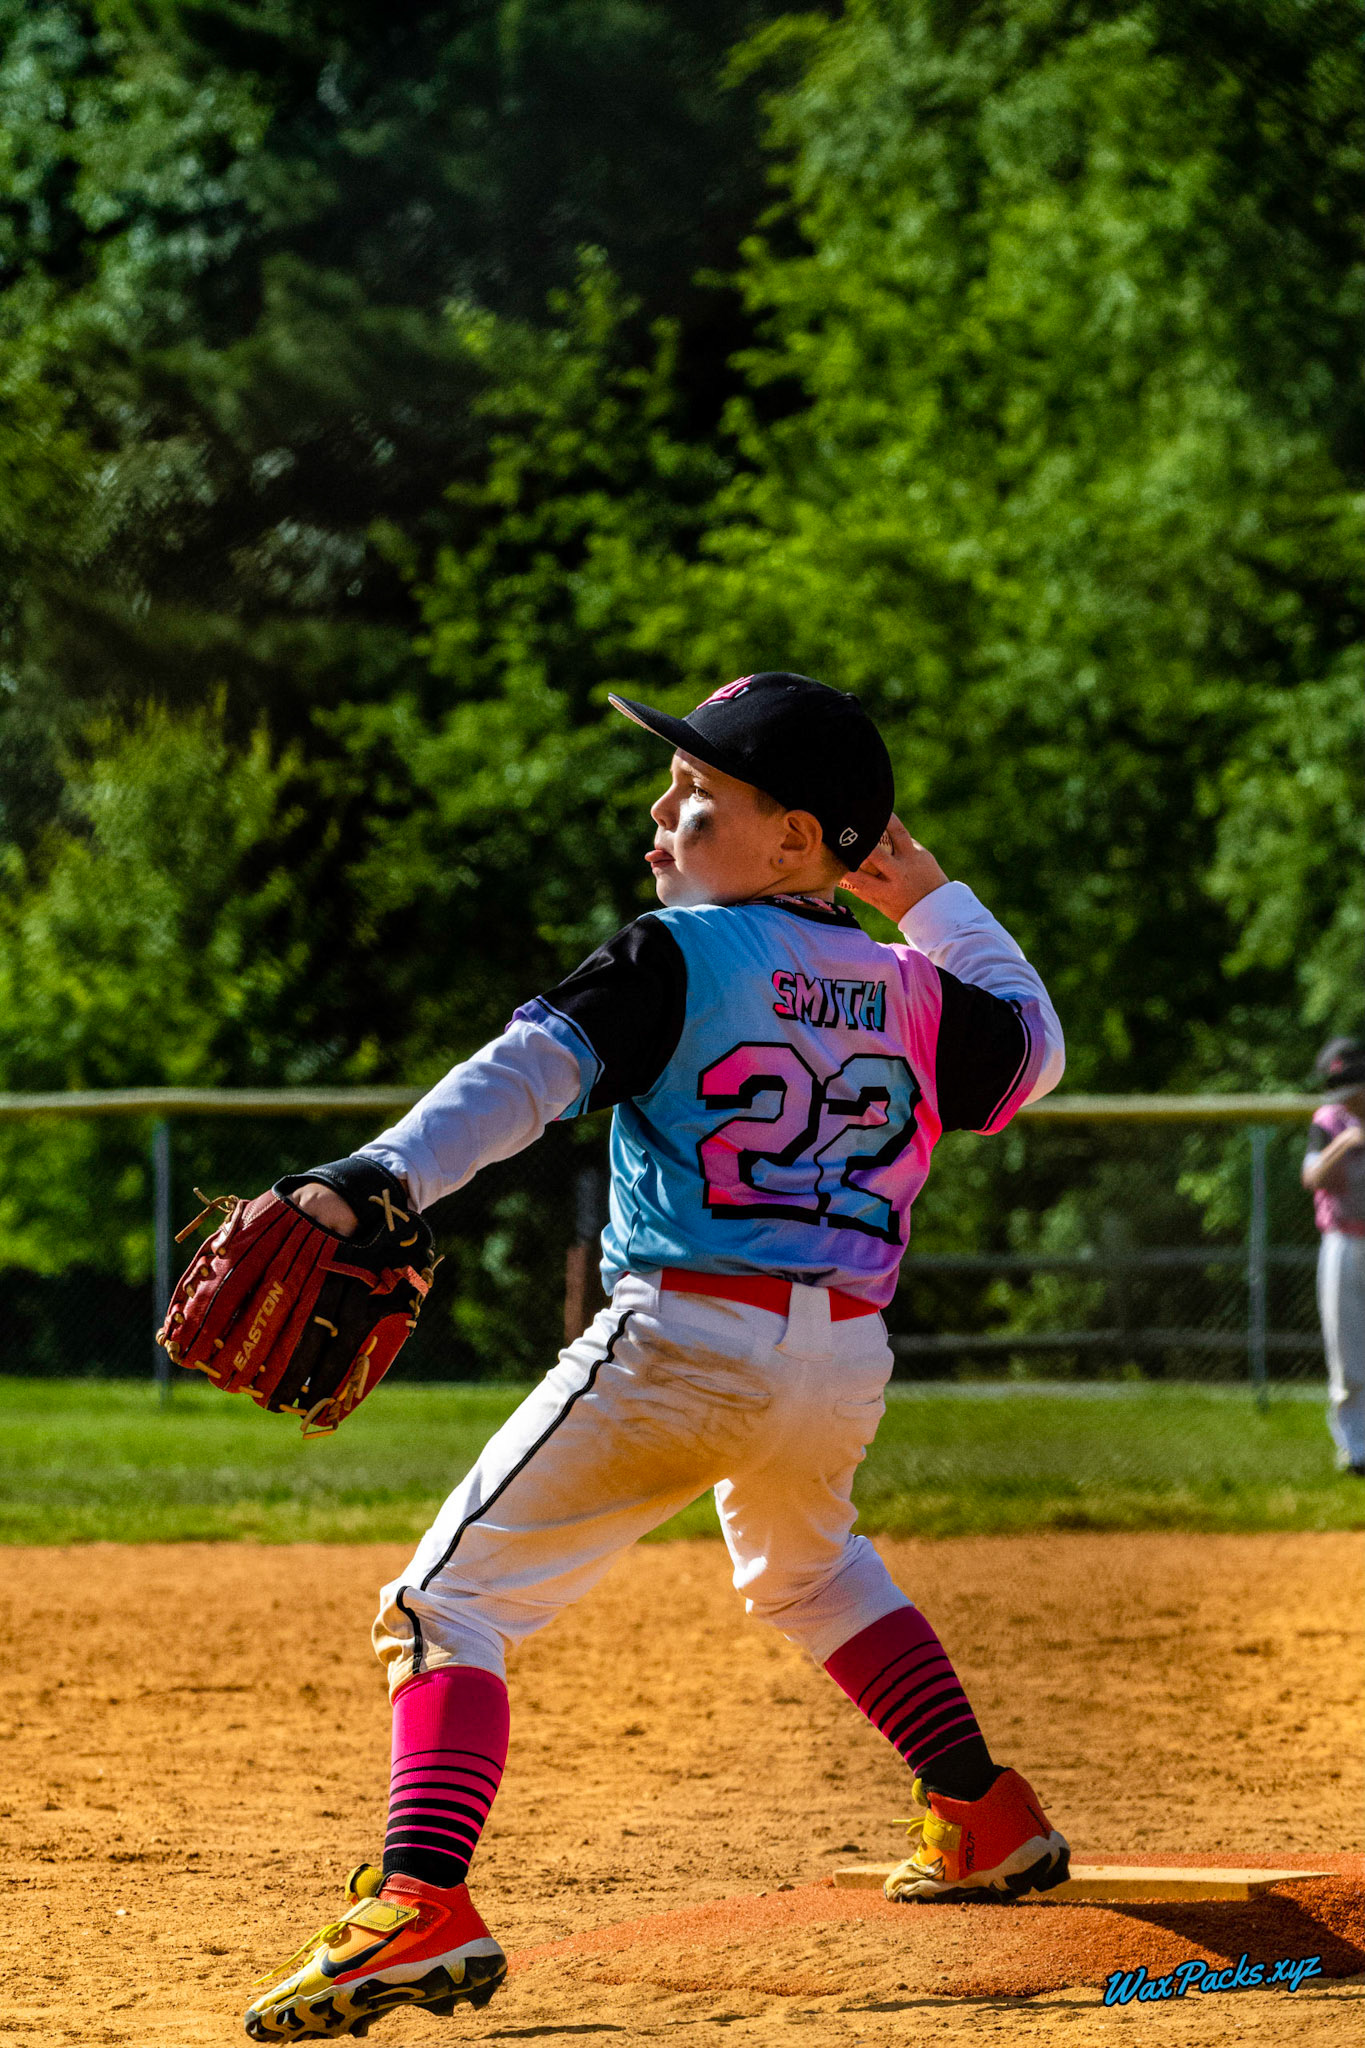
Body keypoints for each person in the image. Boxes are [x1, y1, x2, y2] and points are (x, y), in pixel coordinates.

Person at [244, 673, 1071, 2042]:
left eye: (697, 793)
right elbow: (1032, 1050)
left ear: (797, 840)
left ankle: (420, 1897)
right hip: (842, 1358)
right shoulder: (916, 991)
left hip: (686, 1335)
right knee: (808, 1568)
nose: (657, 811)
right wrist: (922, 893)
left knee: (448, 1607)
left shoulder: (676, 954)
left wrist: (383, 1175)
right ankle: (981, 1809)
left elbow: (527, 1072)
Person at [1301, 1036, 1365, 1477]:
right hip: (1343, 1242)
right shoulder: (1329, 1120)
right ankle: (1357, 1451)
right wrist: (1349, 1141)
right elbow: (1311, 1177)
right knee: (1347, 1354)